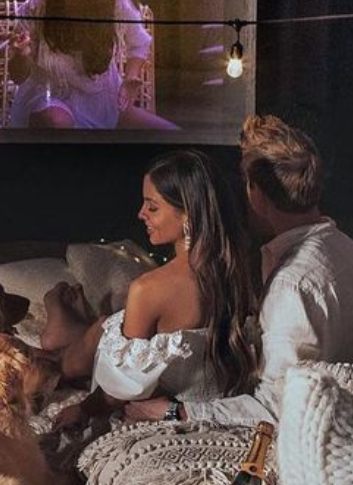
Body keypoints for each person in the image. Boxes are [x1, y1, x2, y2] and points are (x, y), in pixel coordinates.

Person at [47, 149, 258, 431]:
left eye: (153, 207)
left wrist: (84, 408)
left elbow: (120, 390)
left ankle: (56, 332)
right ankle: (59, 343)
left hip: (163, 415)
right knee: (104, 326)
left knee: (94, 336)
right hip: (209, 409)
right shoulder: (242, 272)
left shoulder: (148, 289)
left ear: (188, 215)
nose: (141, 214)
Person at [239, 113, 353, 416]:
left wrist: (177, 412)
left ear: (257, 194)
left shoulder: (291, 285)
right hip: (352, 409)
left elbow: (276, 406)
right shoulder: (347, 247)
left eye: (246, 183)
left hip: (315, 425)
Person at [7, 0, 177, 130]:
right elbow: (18, 77)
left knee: (169, 133)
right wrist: (21, 56)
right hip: (50, 101)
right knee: (56, 123)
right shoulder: (37, 6)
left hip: (103, 102)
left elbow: (140, 43)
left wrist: (131, 76)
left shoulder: (115, 4)